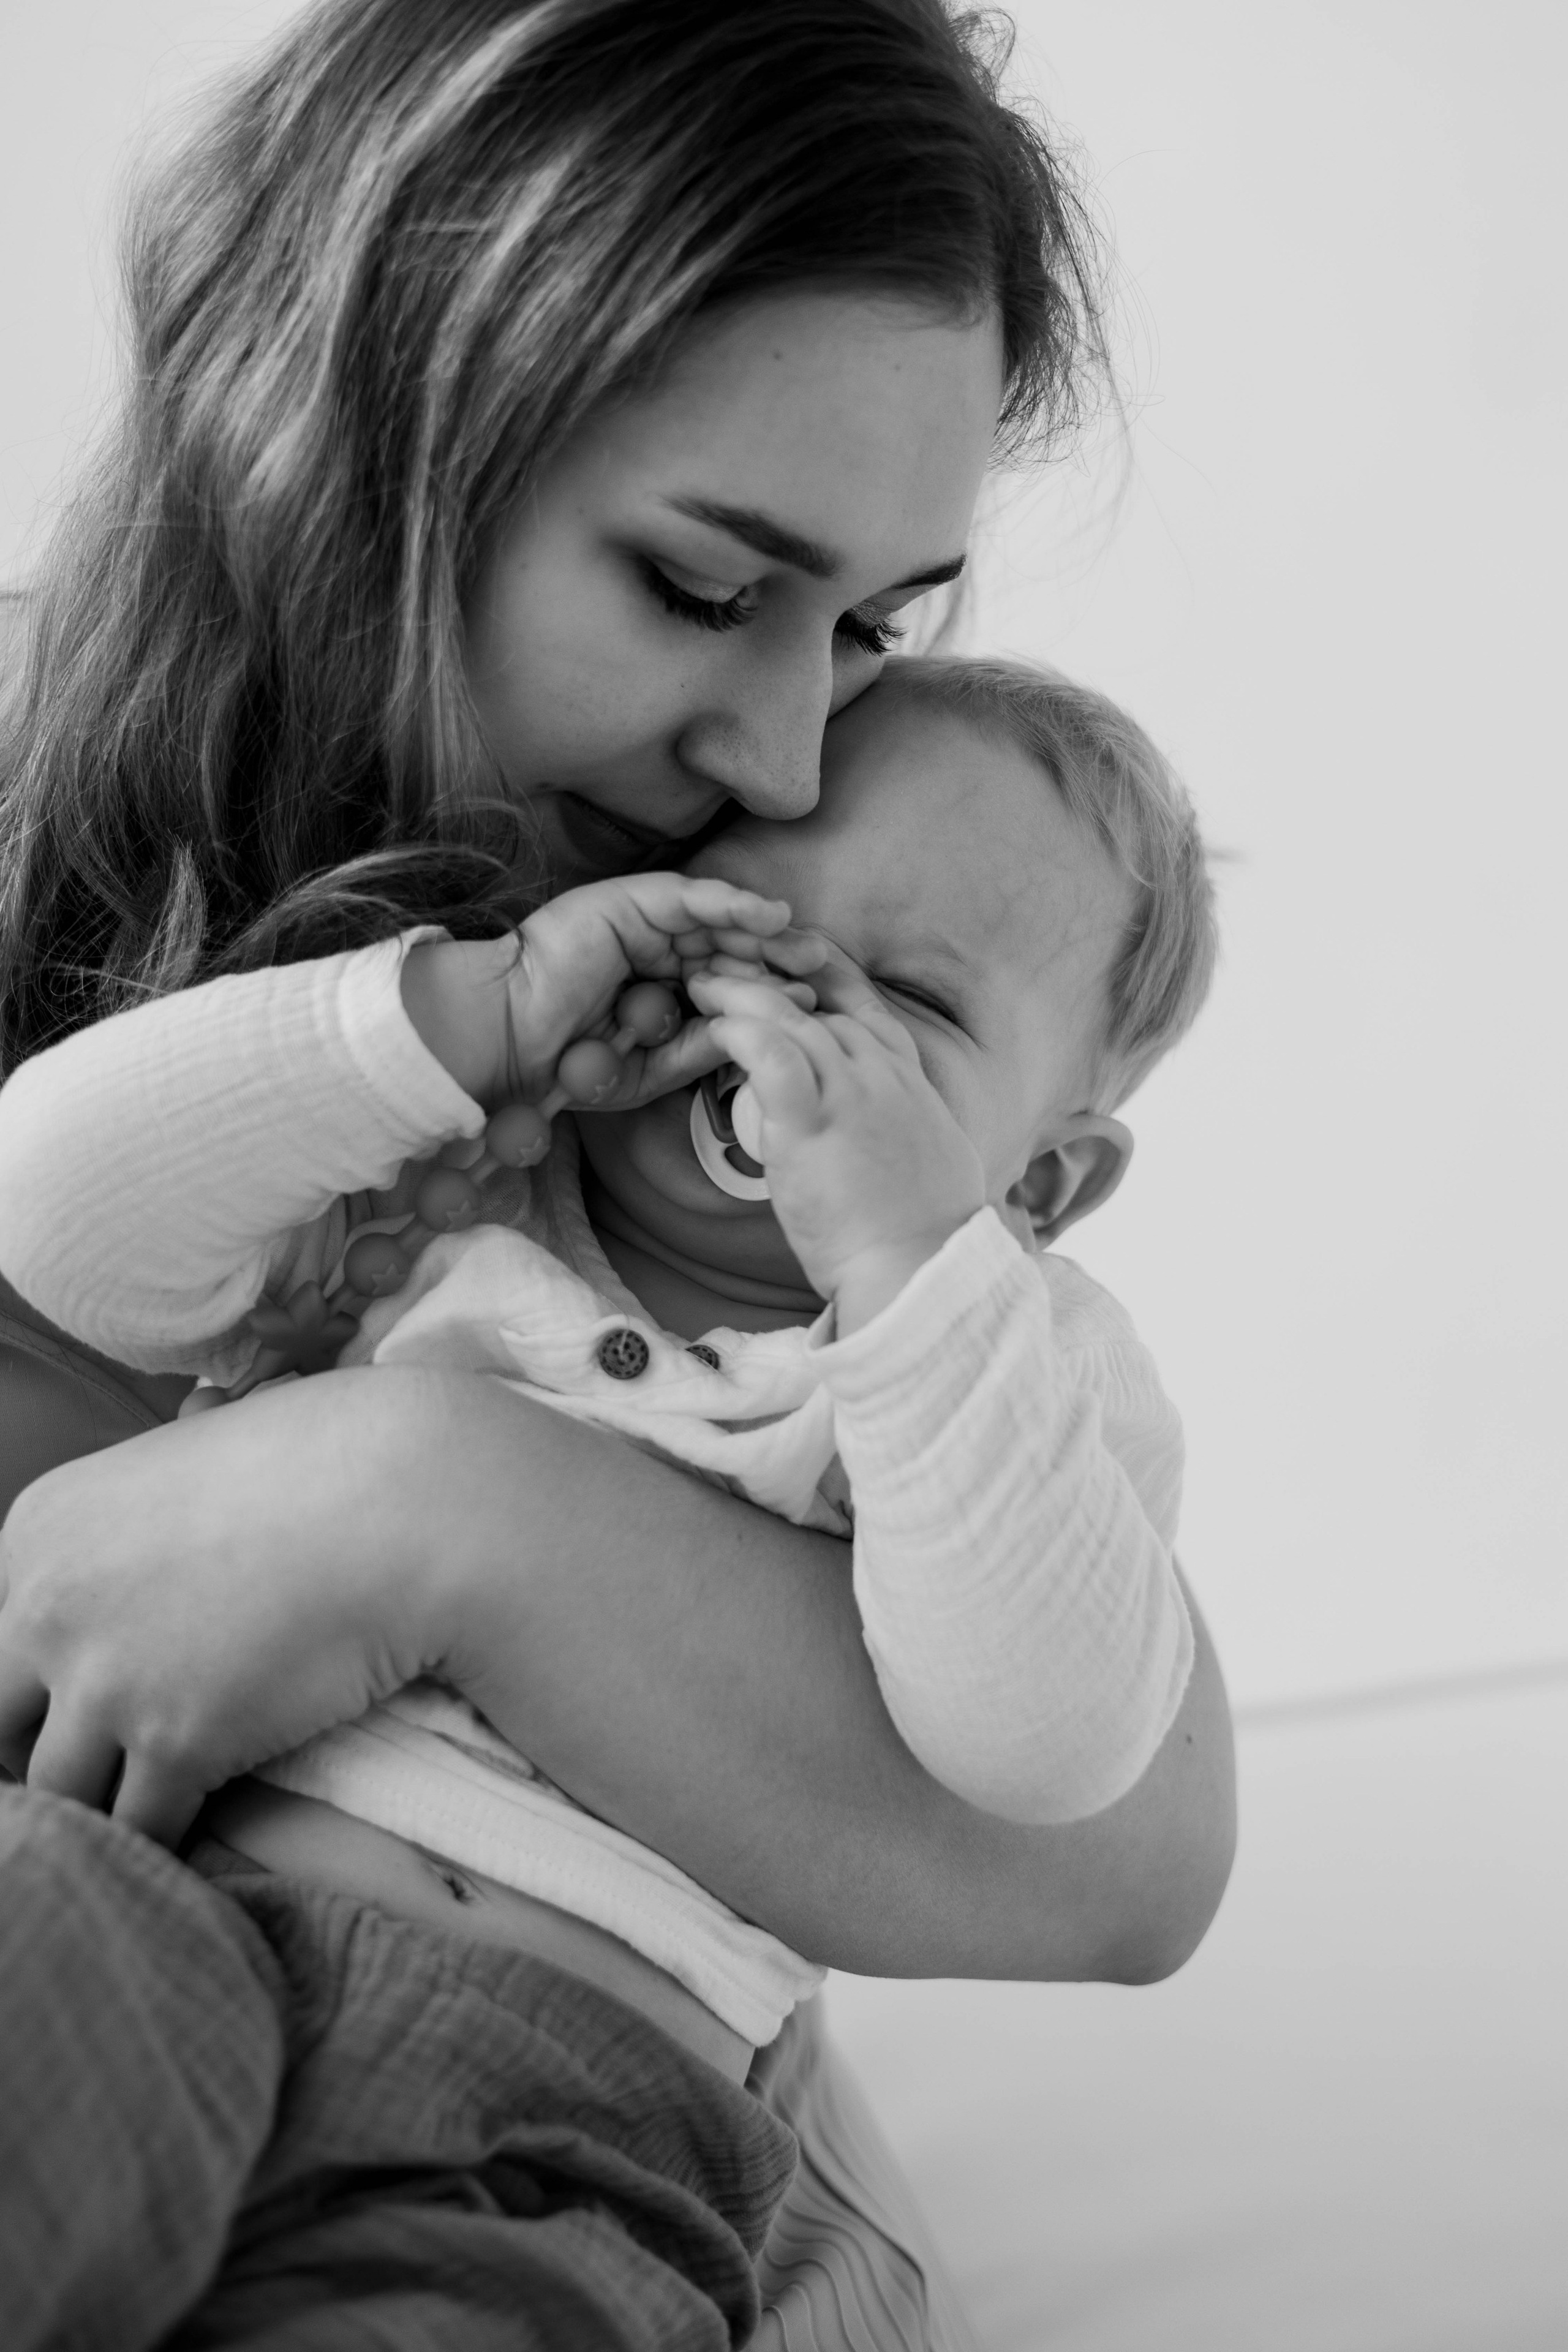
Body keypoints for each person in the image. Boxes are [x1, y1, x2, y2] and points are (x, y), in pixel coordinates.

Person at [0, 2, 1237, 2343]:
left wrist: (422, 1499)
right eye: (700, 585)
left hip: (576, 2106)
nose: (788, 757)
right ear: (349, 453)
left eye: (873, 624)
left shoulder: (685, 1112)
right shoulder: (386, 1071)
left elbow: (1134, 1858)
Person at [0, 650, 1215, 2059]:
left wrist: (910, 1263)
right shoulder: (441, 1177)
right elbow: (57, 1230)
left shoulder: (1013, 1368)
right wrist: (485, 1010)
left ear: (1039, 1188)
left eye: (921, 1006)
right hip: (144, 1910)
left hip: (565, 2091)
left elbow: (1053, 1752)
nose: (797, 1003)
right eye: (743, 922)